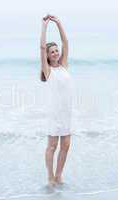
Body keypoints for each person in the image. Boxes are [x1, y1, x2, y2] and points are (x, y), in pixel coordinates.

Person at [40, 14, 73, 187]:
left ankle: (59, 176)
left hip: (66, 111)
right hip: (54, 112)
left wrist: (58, 22)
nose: (55, 53)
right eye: (52, 52)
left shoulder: (64, 65)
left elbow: (65, 42)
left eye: (56, 51)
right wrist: (45, 26)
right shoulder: (48, 70)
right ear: (47, 56)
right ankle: (50, 177)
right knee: (52, 146)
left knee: (66, 145)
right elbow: (41, 47)